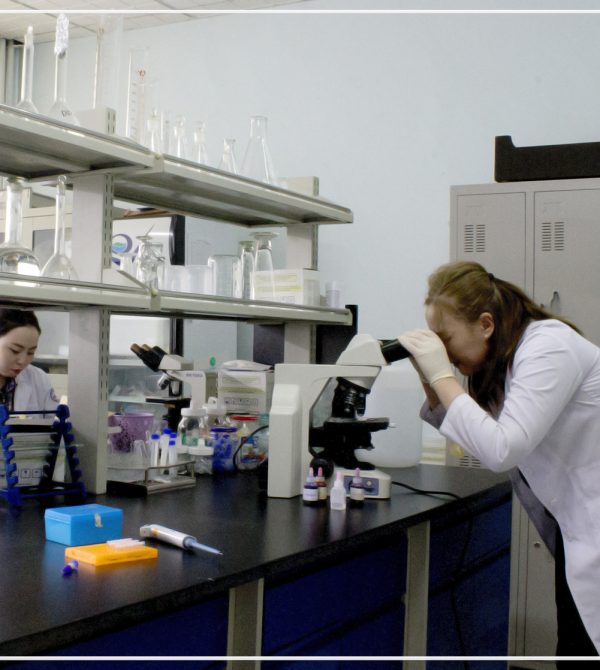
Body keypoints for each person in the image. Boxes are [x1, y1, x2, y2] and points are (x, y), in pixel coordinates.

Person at [398, 260, 600, 659]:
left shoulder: (548, 347)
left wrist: (442, 376)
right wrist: (429, 378)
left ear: (486, 324)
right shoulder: (507, 360)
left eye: (446, 339)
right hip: (577, 528)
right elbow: (482, 435)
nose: (444, 352)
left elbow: (501, 449)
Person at [0, 308, 59, 414]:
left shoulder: (38, 378)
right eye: (15, 350)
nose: (23, 361)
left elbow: (51, 419)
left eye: (31, 352)